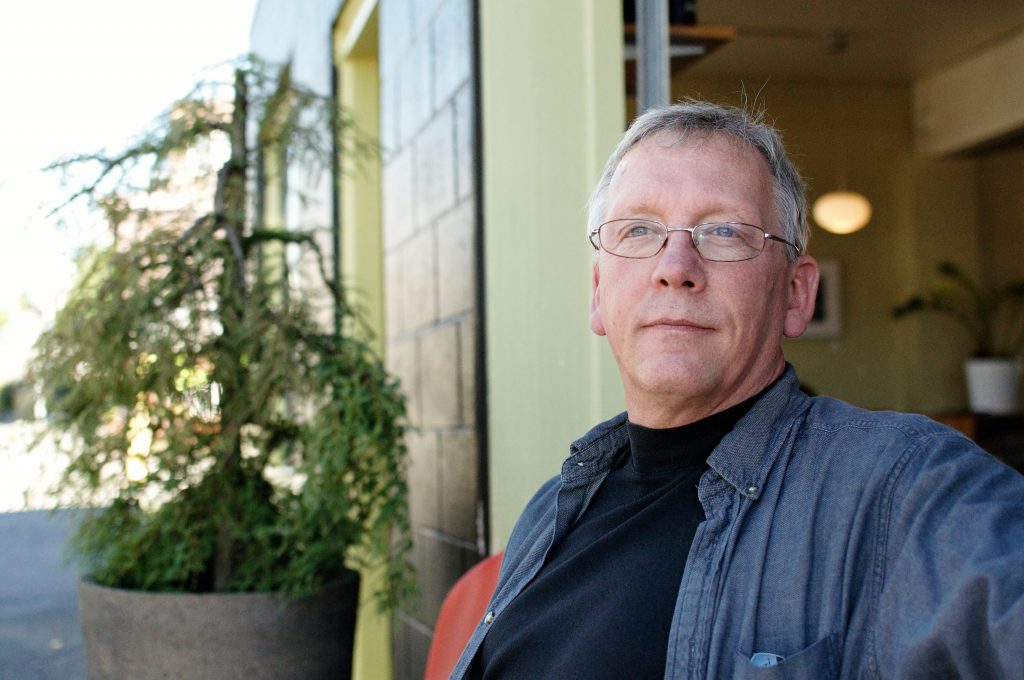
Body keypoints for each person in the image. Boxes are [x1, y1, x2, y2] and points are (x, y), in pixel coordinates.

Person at [451, 100, 1024, 679]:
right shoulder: (551, 511)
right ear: (599, 293)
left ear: (797, 295)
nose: (675, 265)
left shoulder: (904, 490)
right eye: (639, 230)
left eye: (724, 231)